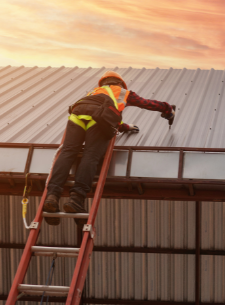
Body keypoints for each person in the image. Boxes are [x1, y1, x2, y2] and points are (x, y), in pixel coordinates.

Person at [43, 70, 175, 225]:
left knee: (67, 152)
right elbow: (146, 104)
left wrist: (124, 126)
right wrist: (167, 109)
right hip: (98, 119)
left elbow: (104, 112)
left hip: (77, 114)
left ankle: (52, 196)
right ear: (120, 83)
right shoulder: (124, 92)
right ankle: (76, 199)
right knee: (90, 155)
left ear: (103, 82)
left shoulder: (94, 92)